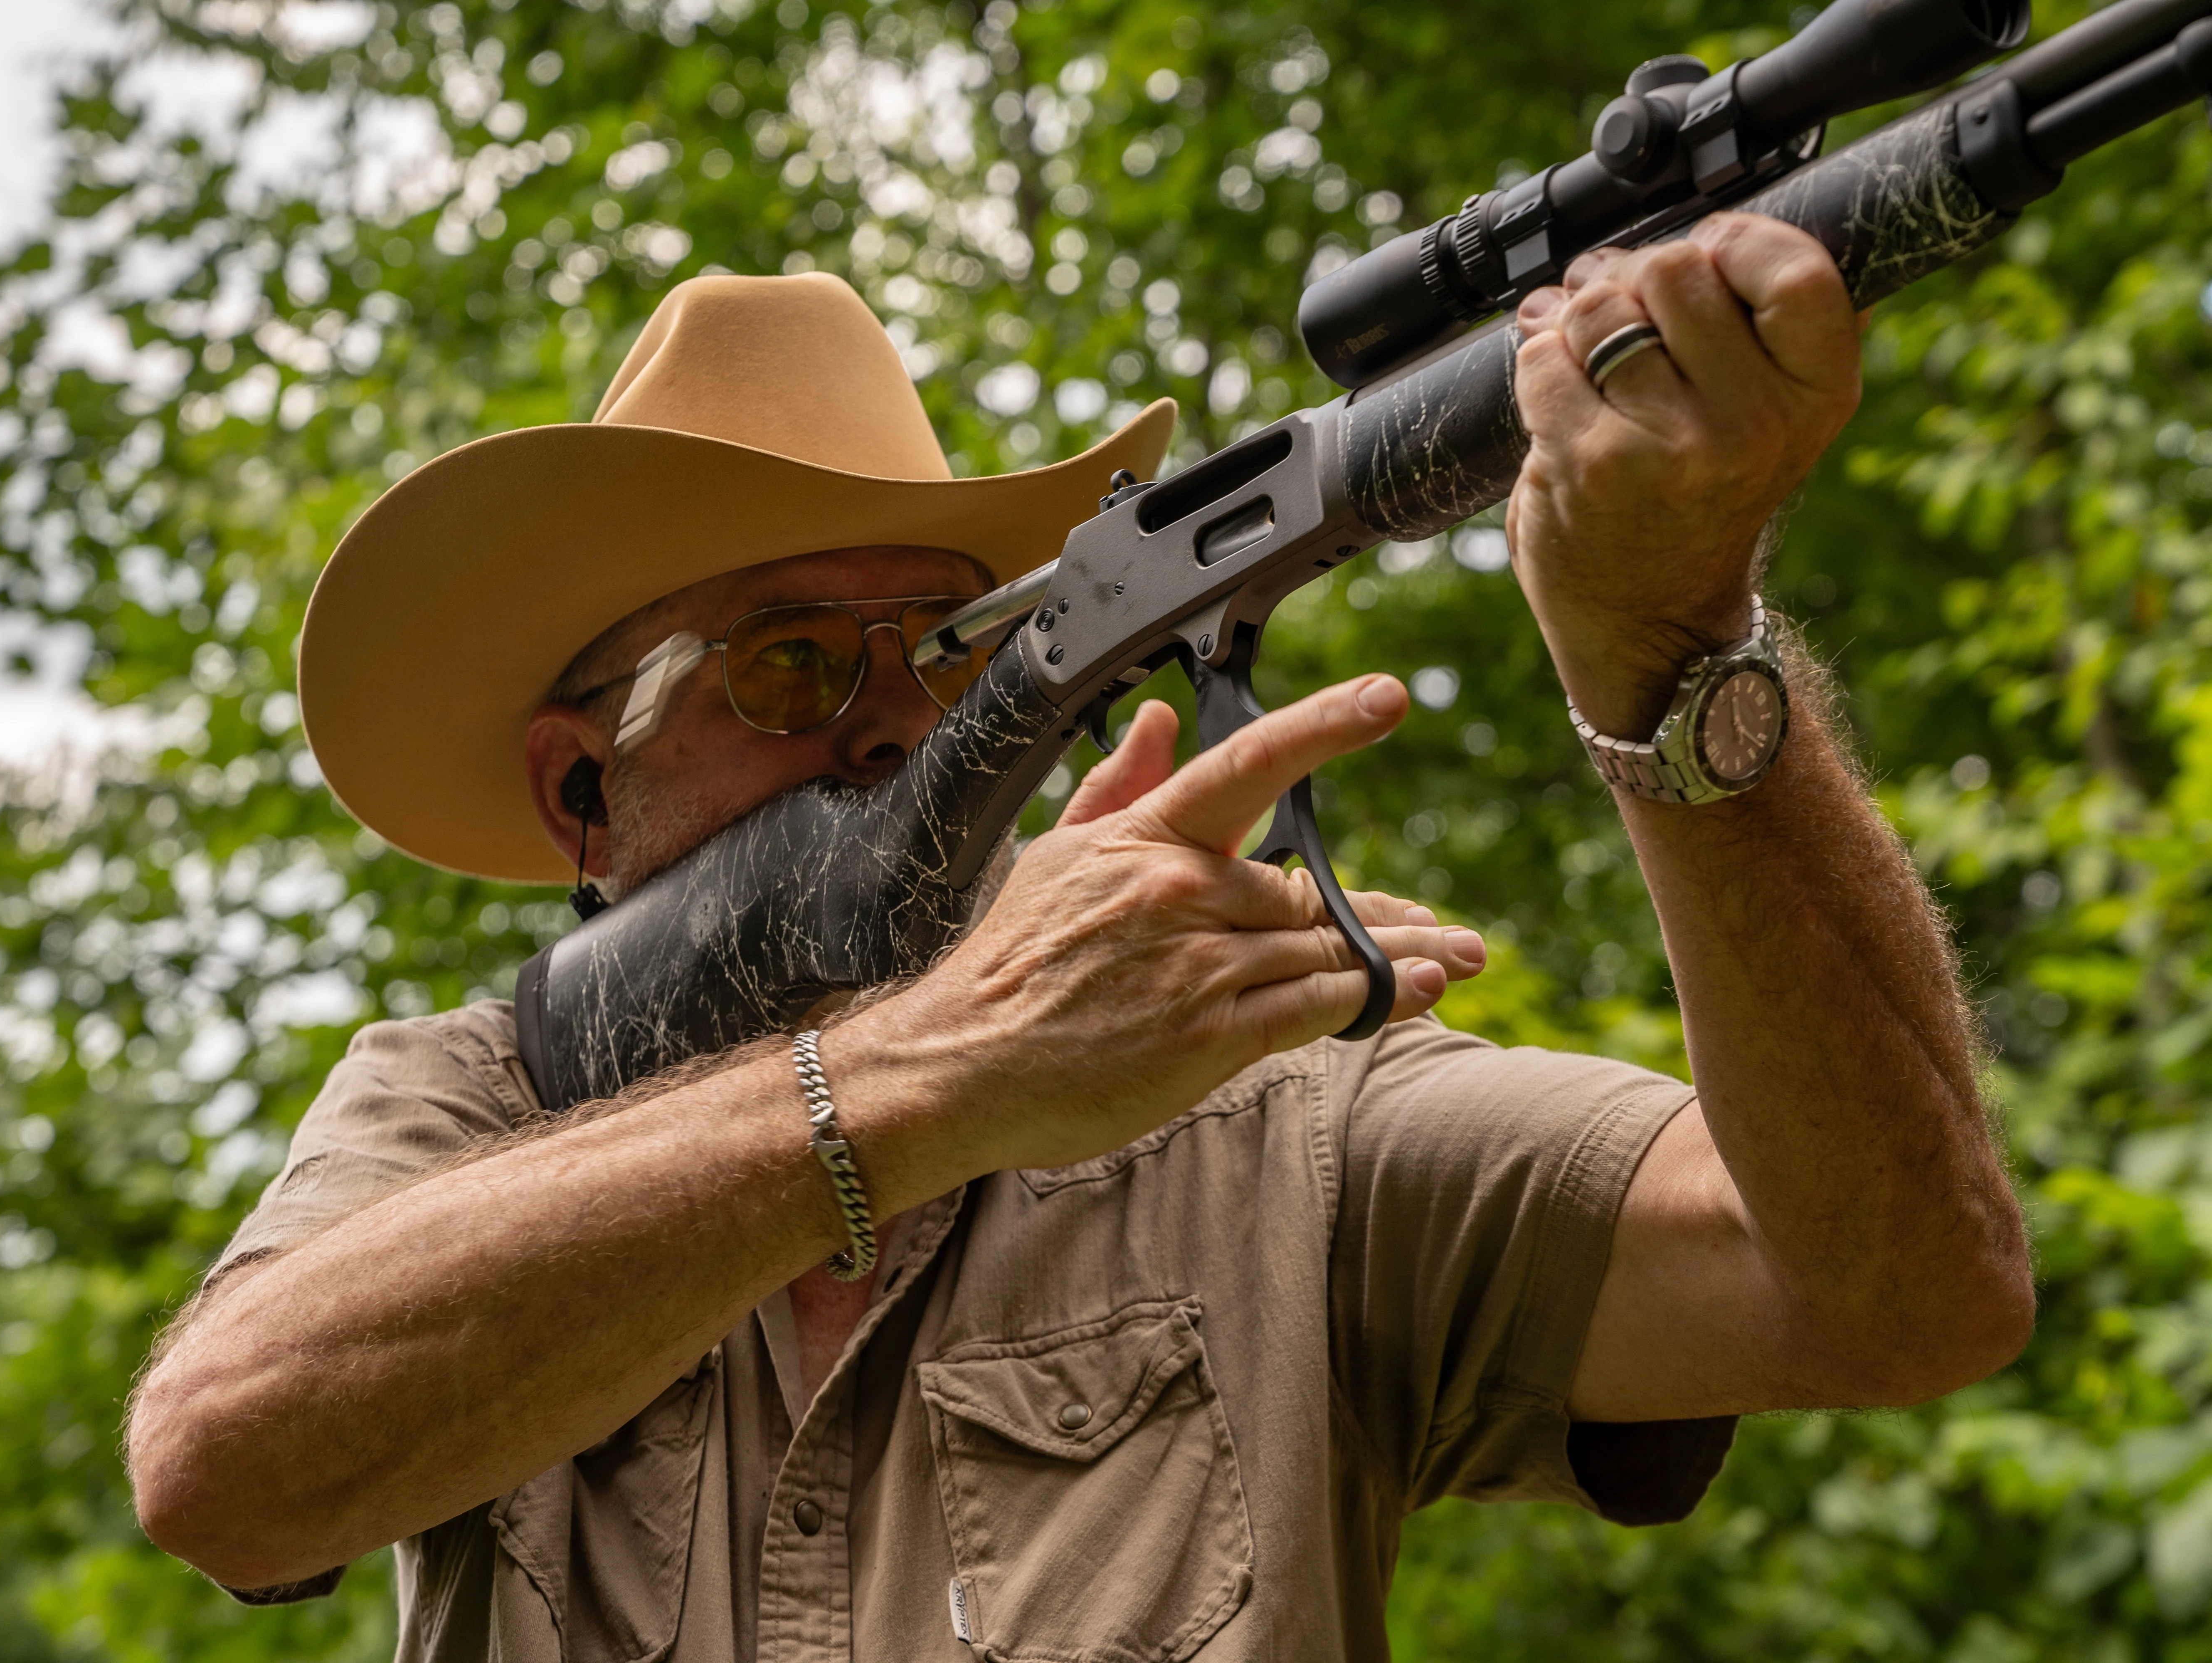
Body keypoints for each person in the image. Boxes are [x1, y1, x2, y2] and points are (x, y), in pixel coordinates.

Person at [128, 224, 2032, 1661]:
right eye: (793, 661)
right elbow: (222, 1468)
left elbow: (1901, 1293)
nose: (894, 727)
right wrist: (935, 1078)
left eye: (947, 653)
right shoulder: (471, 1102)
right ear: (578, 794)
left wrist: (1679, 663)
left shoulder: (1265, 1114)